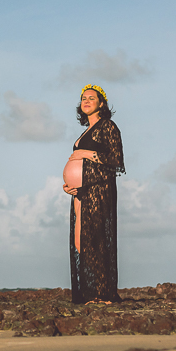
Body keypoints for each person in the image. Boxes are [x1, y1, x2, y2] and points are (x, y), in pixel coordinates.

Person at [62, 84, 124, 304]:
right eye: (83, 98)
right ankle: (91, 290)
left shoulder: (108, 126)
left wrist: (84, 153)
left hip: (99, 189)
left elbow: (115, 160)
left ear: (101, 104)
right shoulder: (85, 131)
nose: (86, 101)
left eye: (91, 98)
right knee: (80, 241)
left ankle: (102, 293)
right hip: (80, 192)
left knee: (95, 239)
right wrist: (69, 185)